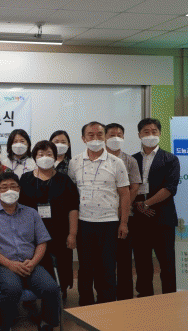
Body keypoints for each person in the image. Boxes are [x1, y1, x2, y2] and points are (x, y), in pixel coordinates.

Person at [0, 172, 60, 331]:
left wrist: (33, 262)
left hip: (31, 264)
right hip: (4, 265)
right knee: (12, 290)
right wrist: (10, 264)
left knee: (51, 288)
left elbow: (42, 241)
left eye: (13, 186)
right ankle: (4, 325)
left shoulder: (31, 213)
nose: (9, 190)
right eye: (4, 187)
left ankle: (46, 322)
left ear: (19, 189)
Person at [68, 121, 130, 306]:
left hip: (109, 222)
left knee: (107, 267)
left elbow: (125, 194)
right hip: (84, 222)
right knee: (86, 267)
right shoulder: (75, 162)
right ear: (83, 138)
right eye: (91, 135)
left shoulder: (116, 162)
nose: (95, 138)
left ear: (104, 137)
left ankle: (107, 303)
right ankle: (86, 304)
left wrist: (123, 222)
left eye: (99, 135)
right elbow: (72, 195)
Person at [19, 140, 79, 300]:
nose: (45, 157)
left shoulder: (64, 180)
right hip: (32, 234)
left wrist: (72, 234)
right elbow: (19, 209)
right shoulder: (25, 179)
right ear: (34, 157)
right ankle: (33, 294)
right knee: (36, 263)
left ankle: (61, 291)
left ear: (55, 157)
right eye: (41, 154)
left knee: (61, 263)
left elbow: (73, 208)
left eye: (49, 154)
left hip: (59, 232)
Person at [132, 118, 180, 297]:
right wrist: (137, 204)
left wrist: (147, 203)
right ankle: (145, 295)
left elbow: (170, 188)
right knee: (142, 262)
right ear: (139, 135)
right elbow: (127, 187)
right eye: (146, 131)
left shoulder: (170, 159)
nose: (150, 135)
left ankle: (169, 297)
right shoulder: (132, 159)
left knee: (167, 262)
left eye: (154, 131)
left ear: (160, 134)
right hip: (139, 219)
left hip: (163, 218)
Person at [104, 123, 142, 301]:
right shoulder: (98, 159)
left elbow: (134, 188)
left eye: (119, 135)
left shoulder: (130, 161)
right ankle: (107, 296)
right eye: (112, 135)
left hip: (125, 217)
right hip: (103, 218)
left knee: (124, 259)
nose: (116, 138)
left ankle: (125, 296)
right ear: (104, 137)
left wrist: (122, 209)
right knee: (106, 260)